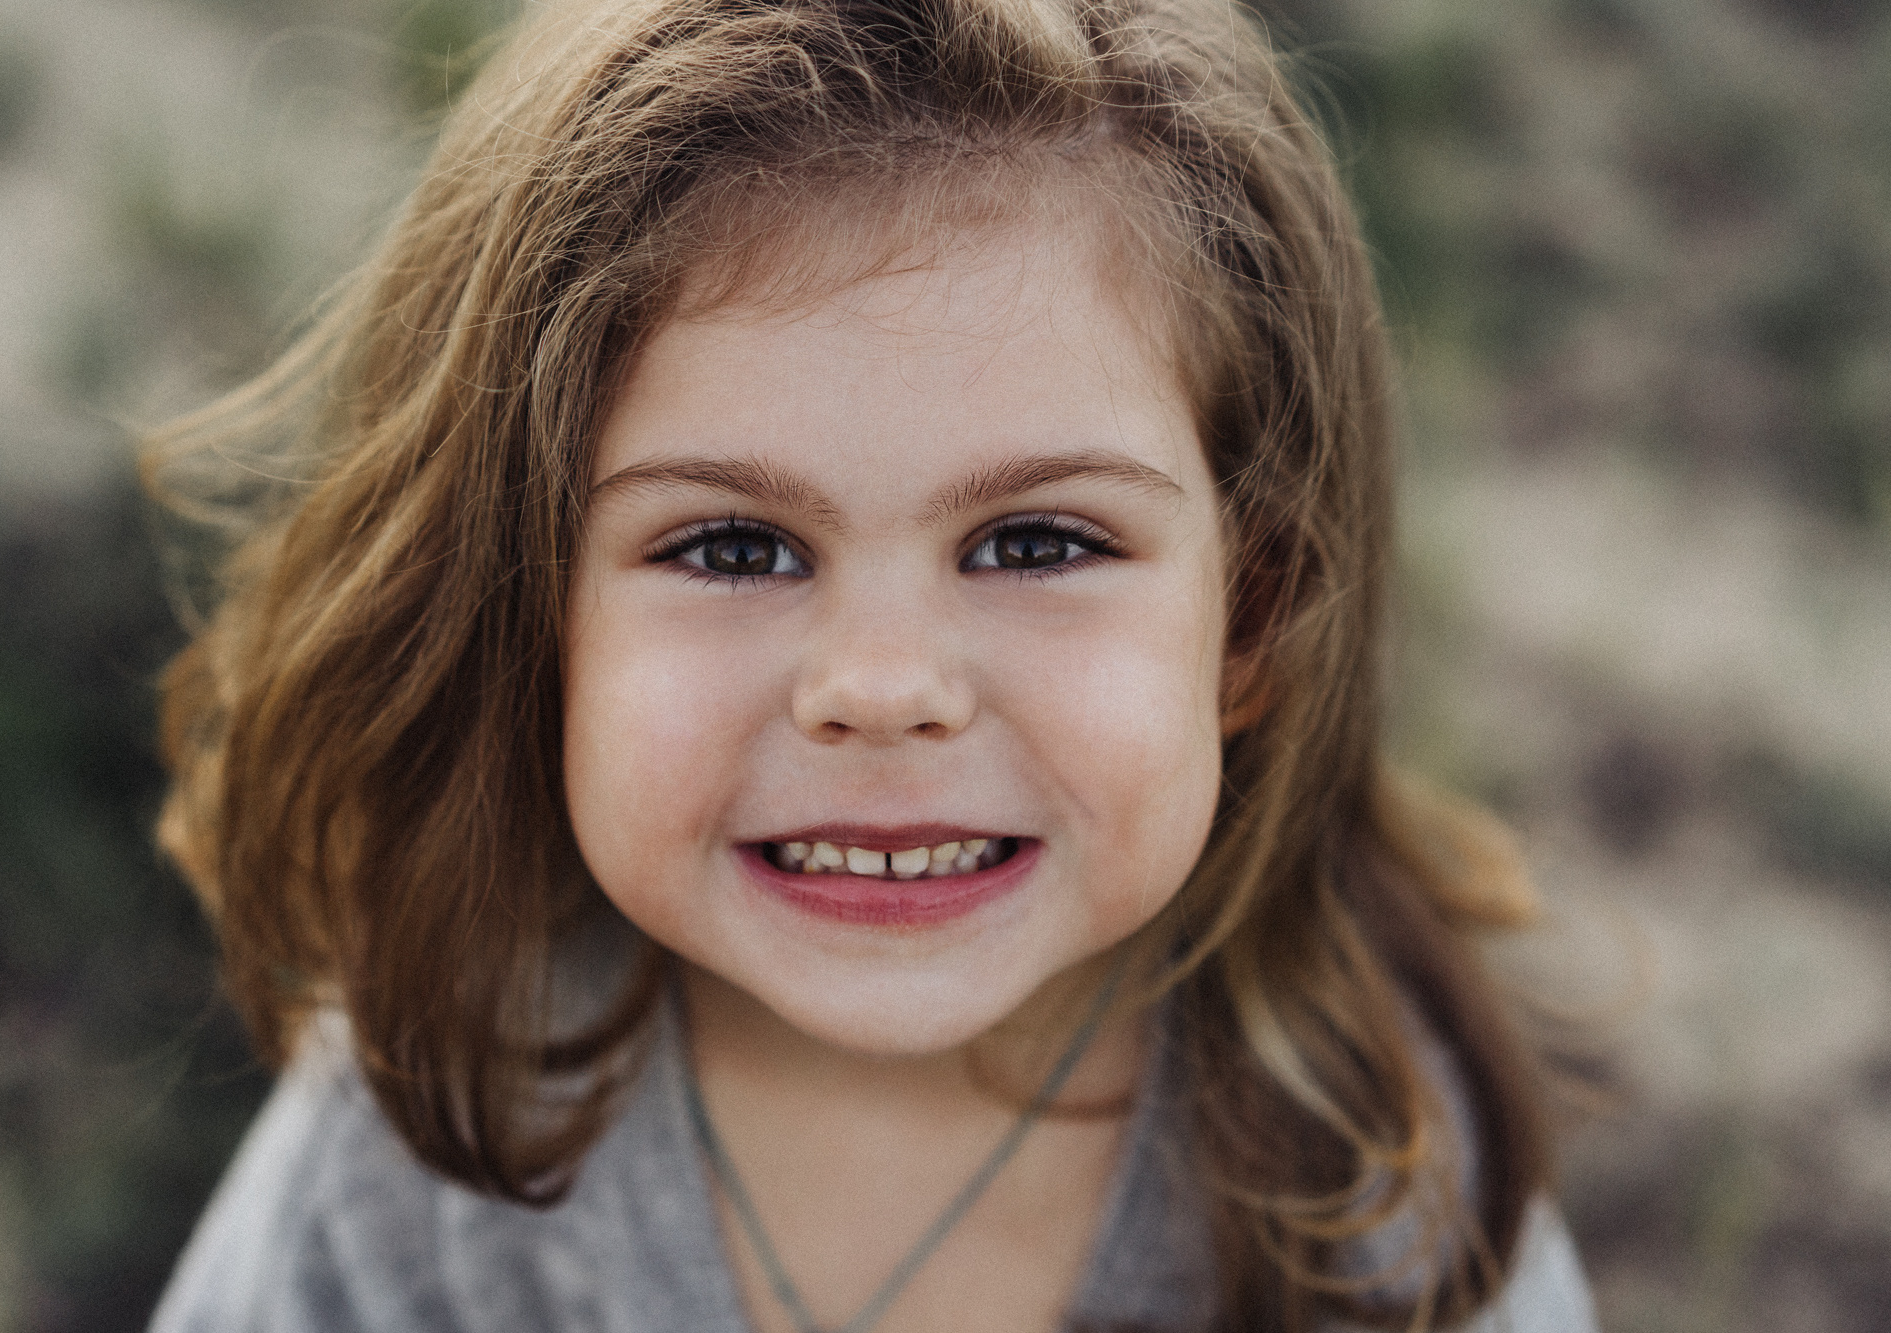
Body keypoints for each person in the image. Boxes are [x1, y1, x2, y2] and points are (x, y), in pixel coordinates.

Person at [144, 0, 1599, 1329]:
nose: (885, 684)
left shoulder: (1374, 1163)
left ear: (1250, 626)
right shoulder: (430, 1122)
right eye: (731, 547)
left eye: (1035, 544)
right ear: (530, 617)